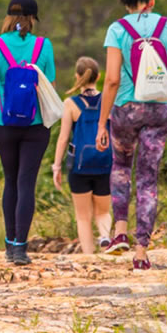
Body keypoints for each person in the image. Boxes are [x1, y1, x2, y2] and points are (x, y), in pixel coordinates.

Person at [96, 0, 167, 270]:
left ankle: (120, 232)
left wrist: (101, 123)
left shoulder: (117, 30)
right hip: (160, 109)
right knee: (148, 178)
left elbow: (111, 80)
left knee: (121, 165)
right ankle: (141, 251)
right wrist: (166, 88)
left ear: (126, 2)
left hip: (126, 108)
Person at [0, 0, 56, 266]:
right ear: (33, 18)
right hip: (36, 126)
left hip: (4, 124)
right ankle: (21, 247)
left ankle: (9, 245)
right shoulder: (44, 46)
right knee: (26, 183)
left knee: (10, 181)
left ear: (8, 16)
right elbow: (49, 87)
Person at [52, 57, 112, 254]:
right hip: (105, 162)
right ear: (99, 76)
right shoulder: (108, 100)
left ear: (77, 76)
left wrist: (57, 166)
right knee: (103, 211)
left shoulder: (70, 103)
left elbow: (63, 138)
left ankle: (89, 256)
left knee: (83, 216)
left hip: (80, 166)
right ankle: (105, 237)